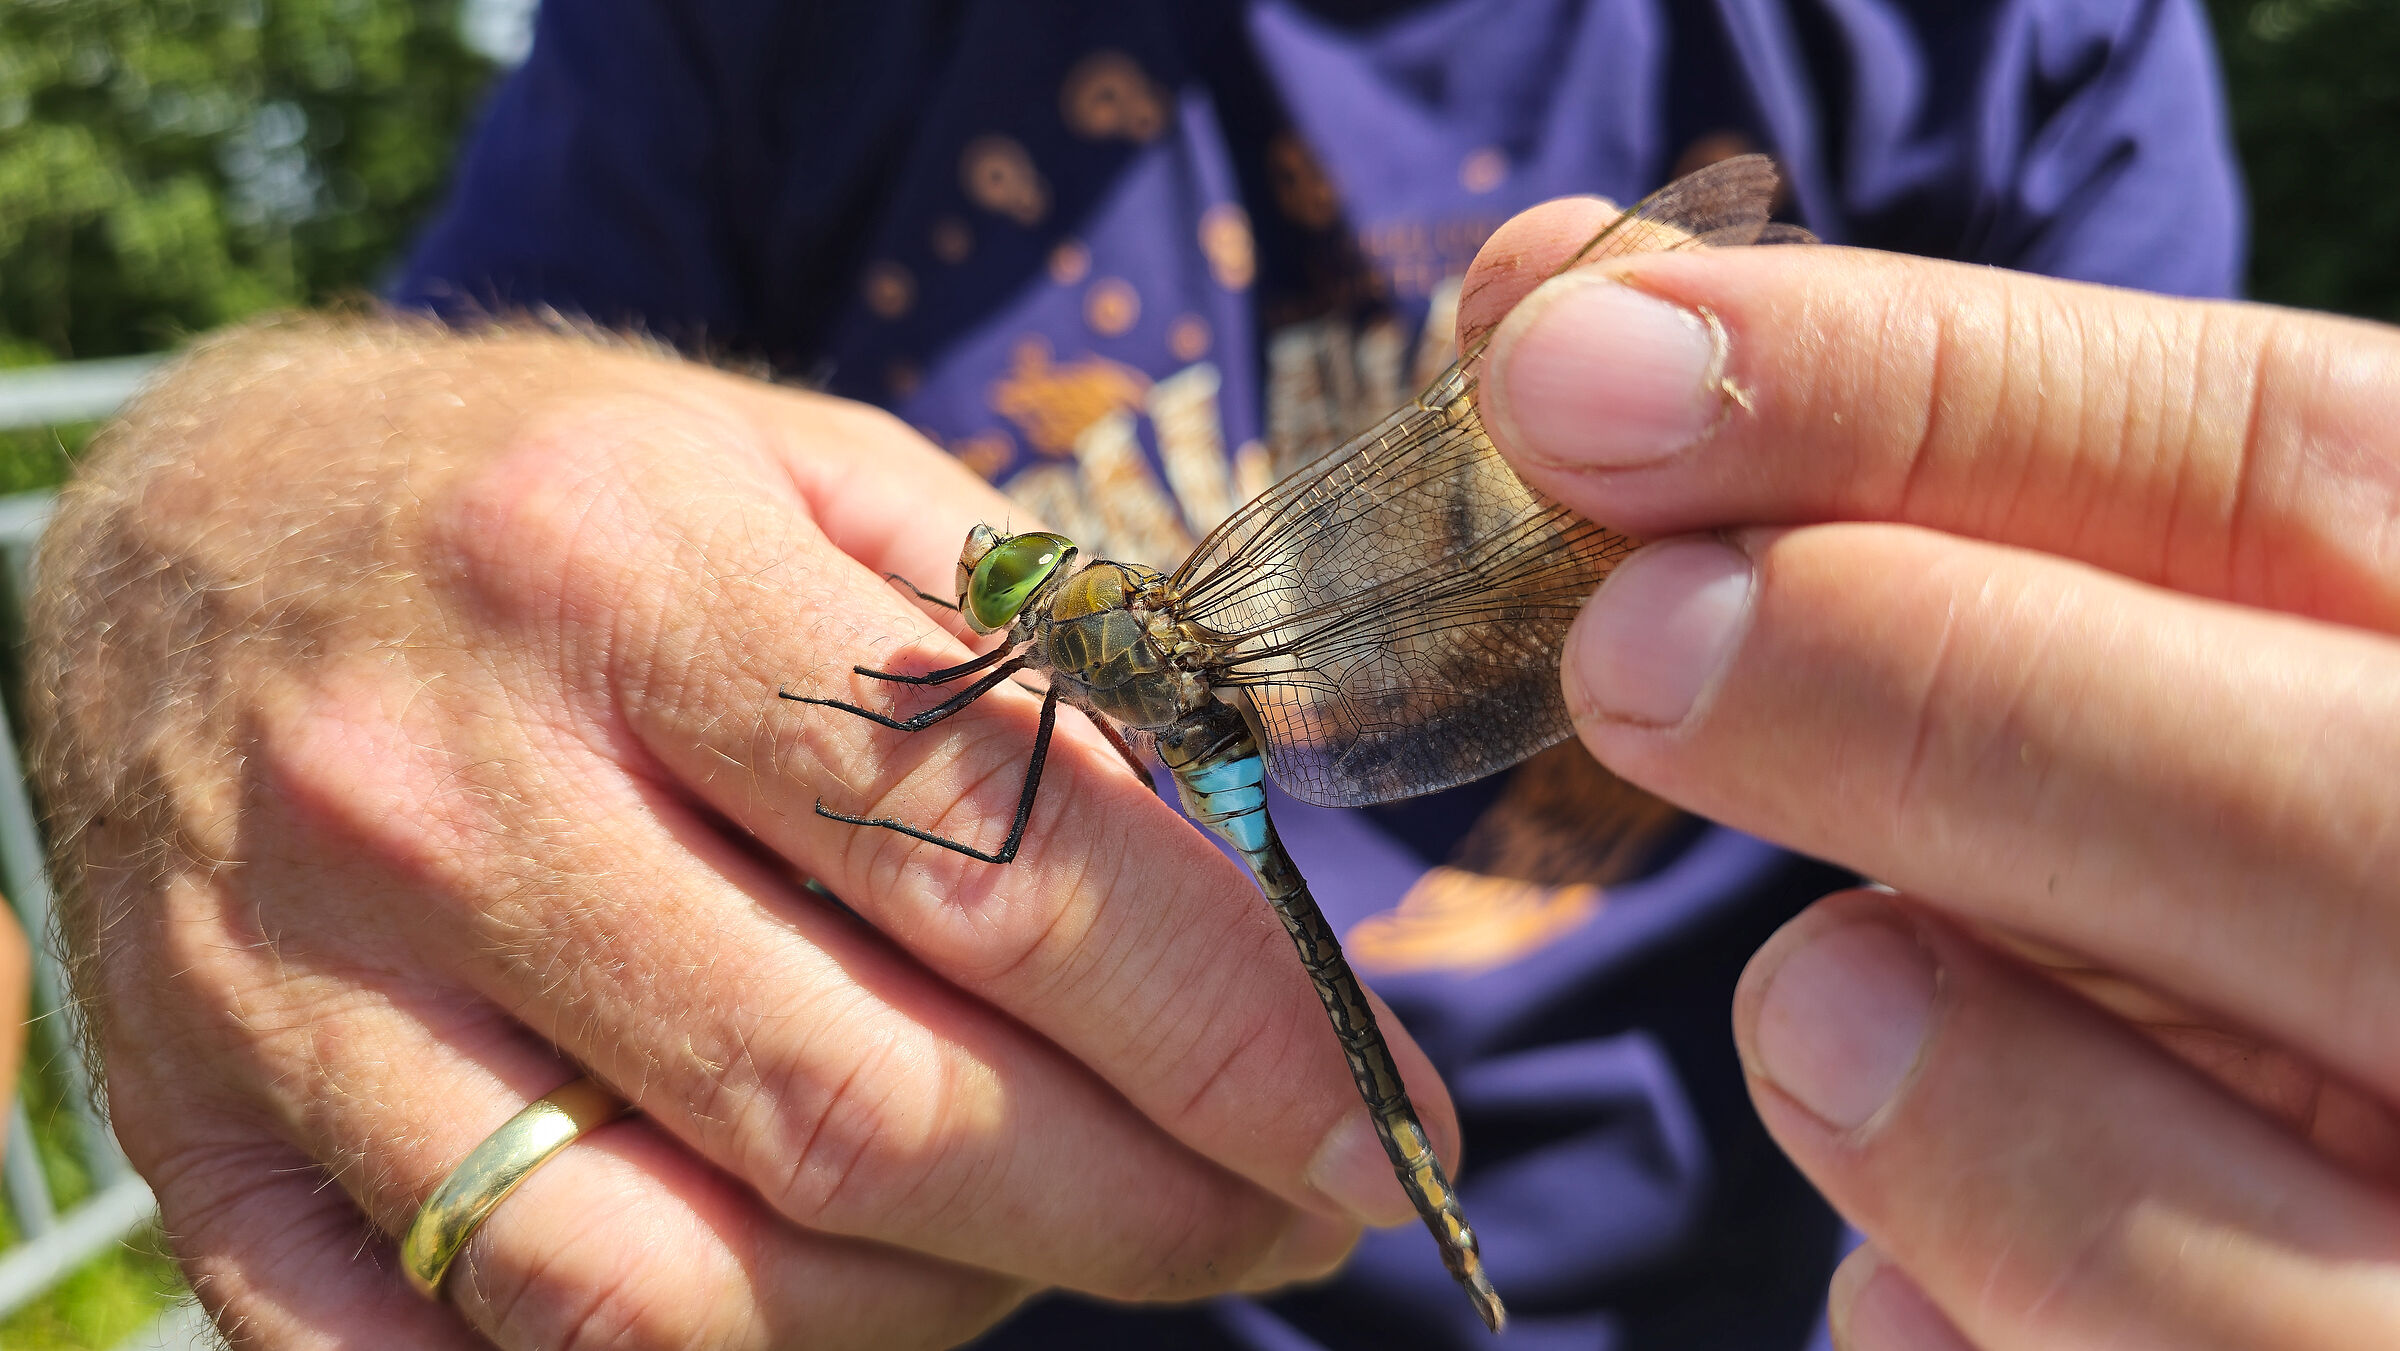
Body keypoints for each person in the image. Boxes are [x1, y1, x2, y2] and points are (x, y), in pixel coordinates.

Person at [26, 1, 2319, 1347]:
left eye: (1011, 587)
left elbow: (956, 758)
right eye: (1002, 580)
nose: (992, 588)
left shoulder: (2019, 40)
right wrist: (235, 501)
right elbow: (413, 406)